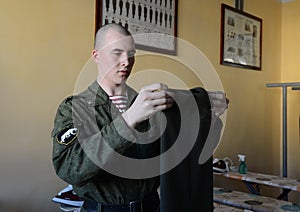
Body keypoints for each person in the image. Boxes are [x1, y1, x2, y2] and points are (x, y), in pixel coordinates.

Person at [51, 23, 228, 212]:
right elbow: (69, 169)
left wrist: (201, 118)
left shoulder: (150, 105)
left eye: (131, 53)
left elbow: (175, 155)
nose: (126, 61)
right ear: (96, 56)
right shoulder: (74, 108)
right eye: (117, 53)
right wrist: (128, 120)